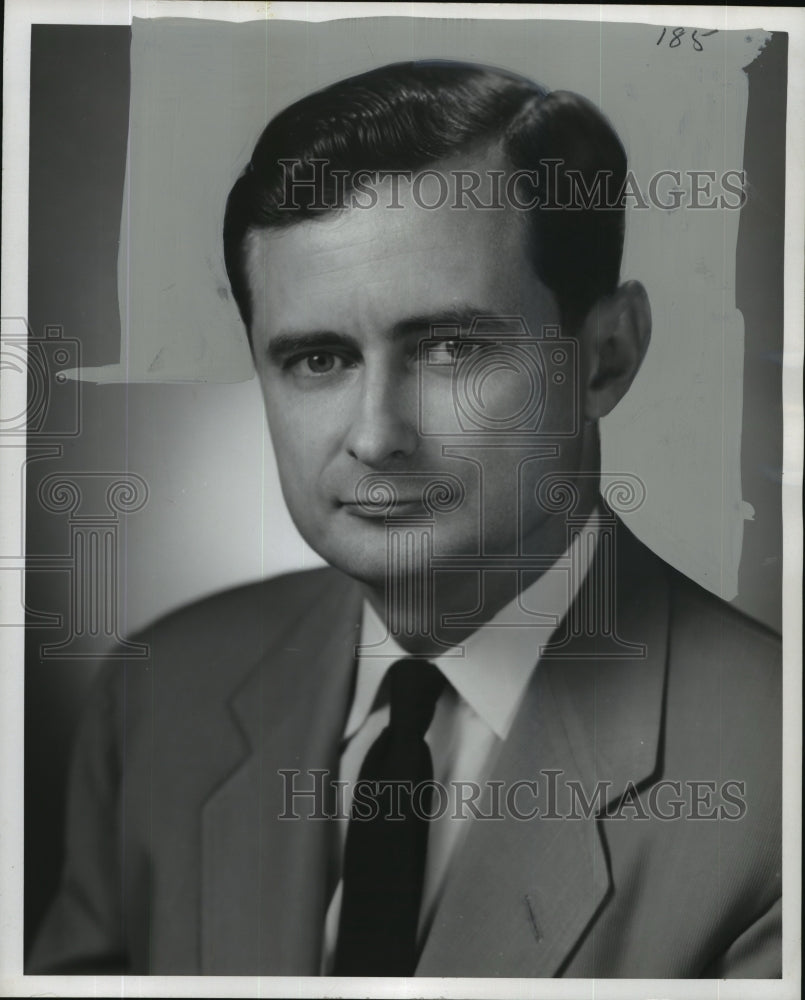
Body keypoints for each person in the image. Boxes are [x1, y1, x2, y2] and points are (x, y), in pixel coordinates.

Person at [28, 60, 781, 978]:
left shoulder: (776, 779)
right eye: (317, 359)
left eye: (453, 347)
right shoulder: (158, 699)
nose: (377, 436)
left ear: (605, 357)